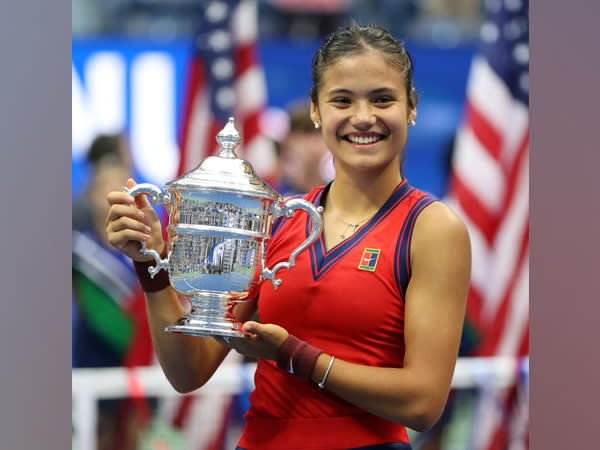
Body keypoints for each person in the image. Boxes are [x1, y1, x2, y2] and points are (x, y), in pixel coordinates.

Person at [105, 24, 471, 450]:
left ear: (411, 107)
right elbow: (189, 373)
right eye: (342, 100)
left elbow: (423, 403)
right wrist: (151, 264)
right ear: (315, 111)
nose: (364, 116)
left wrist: (295, 357)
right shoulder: (279, 223)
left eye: (383, 99)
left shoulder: (432, 228)